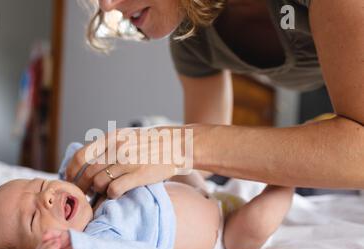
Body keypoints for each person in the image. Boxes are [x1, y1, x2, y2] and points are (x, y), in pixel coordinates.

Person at [66, 0, 363, 199]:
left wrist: (179, 144)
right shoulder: (192, 33)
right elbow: (202, 161)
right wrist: (139, 174)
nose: (106, 6)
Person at [0, 143, 294, 249]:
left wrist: (82, 163)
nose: (46, 197)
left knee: (185, 168)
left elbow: (83, 160)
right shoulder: (102, 241)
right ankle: (290, 172)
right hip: (224, 232)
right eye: (34, 219)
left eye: (39, 186)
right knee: (257, 223)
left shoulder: (87, 192)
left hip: (199, 191)